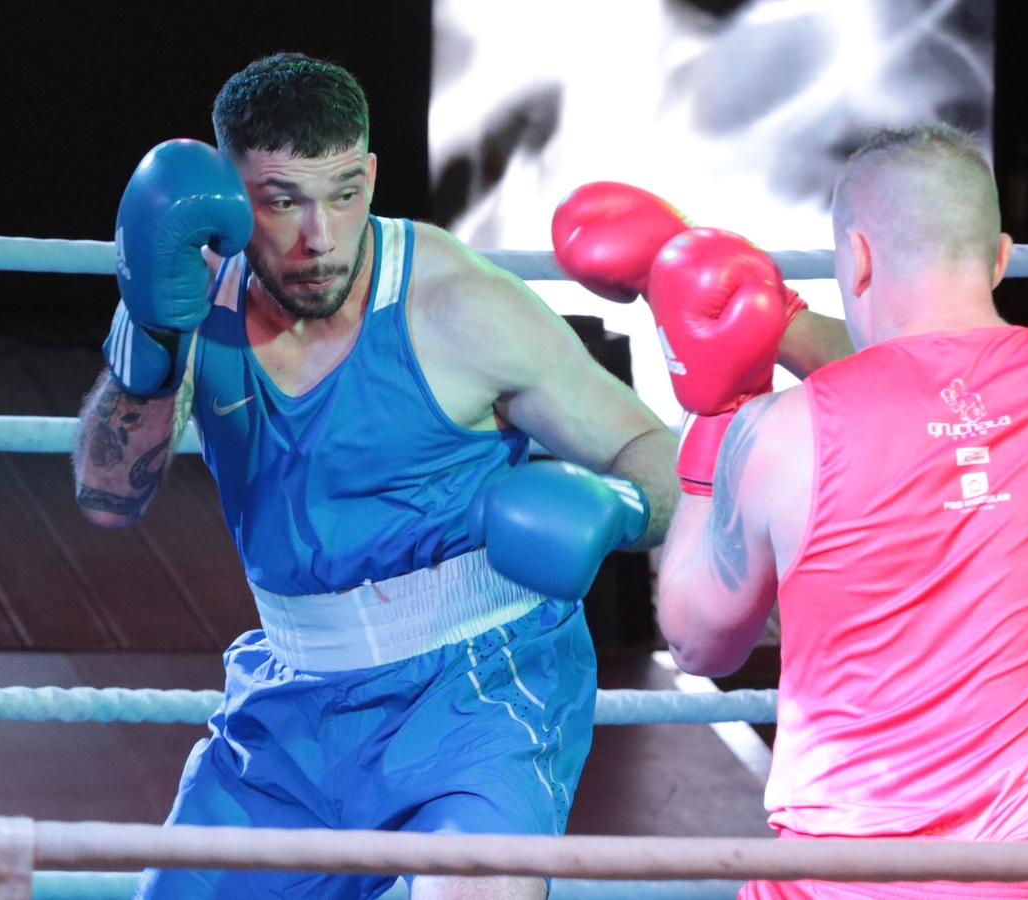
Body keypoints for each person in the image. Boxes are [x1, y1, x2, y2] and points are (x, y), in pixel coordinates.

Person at [72, 53, 678, 900]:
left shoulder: (459, 304)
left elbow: (653, 452)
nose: (320, 237)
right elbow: (109, 498)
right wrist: (149, 346)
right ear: (229, 197)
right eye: (282, 202)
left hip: (476, 694)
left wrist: (617, 509)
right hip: (291, 704)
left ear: (373, 177)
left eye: (345, 193)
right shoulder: (193, 296)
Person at [653, 124, 1028, 900]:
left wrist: (715, 419)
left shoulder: (780, 434)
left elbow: (698, 643)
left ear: (856, 259)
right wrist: (786, 327)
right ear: (1000, 258)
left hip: (843, 884)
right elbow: (941, 378)